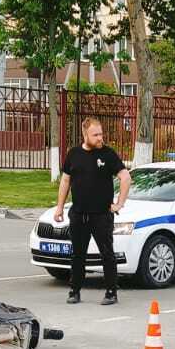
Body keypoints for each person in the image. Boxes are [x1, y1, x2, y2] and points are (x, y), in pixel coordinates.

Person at [53, 116, 130, 305]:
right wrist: (60, 207)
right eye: (95, 135)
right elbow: (65, 181)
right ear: (84, 134)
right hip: (79, 214)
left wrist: (119, 204)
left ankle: (111, 291)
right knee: (78, 254)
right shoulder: (74, 154)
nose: (99, 138)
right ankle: (74, 290)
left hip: (101, 215)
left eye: (101, 134)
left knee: (107, 253)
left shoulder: (107, 154)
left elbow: (125, 177)